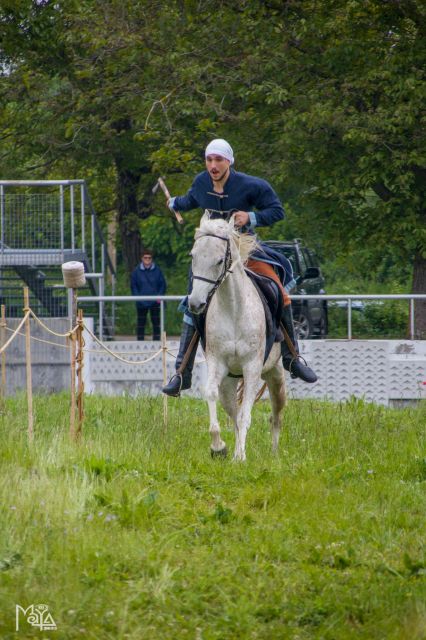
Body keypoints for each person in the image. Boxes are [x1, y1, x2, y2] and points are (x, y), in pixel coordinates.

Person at [162, 138, 317, 396]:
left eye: (218, 160)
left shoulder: (251, 185)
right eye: (209, 159)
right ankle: (181, 373)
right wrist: (175, 203)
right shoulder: (201, 182)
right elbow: (191, 200)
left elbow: (277, 211)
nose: (213, 165)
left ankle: (293, 358)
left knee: (279, 291)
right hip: (213, 256)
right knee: (192, 301)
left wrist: (251, 217)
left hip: (245, 249)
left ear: (229, 161)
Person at [130, 248, 166, 341]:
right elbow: (133, 286)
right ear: (142, 258)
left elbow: (162, 285)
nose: (147, 260)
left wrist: (159, 297)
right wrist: (138, 298)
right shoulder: (136, 272)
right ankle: (140, 342)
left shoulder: (157, 271)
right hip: (141, 302)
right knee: (141, 323)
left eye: (149, 258)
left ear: (152, 259)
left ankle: (157, 342)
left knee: (156, 323)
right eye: (145, 258)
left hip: (155, 302)